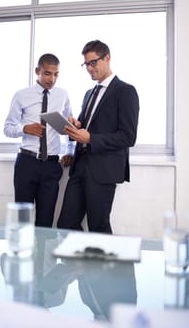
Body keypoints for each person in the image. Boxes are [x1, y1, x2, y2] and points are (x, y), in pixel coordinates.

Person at [57, 40, 139, 233]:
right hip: (80, 167)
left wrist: (91, 139)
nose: (89, 68)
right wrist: (74, 126)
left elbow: (128, 137)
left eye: (93, 63)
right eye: (86, 64)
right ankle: (77, 263)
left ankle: (103, 264)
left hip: (104, 170)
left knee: (98, 226)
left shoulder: (125, 91)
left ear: (107, 58)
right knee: (65, 223)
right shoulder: (89, 93)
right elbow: (86, 126)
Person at [4, 53, 73, 227]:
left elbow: (71, 127)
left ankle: (41, 254)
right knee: (22, 220)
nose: (52, 79)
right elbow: (8, 128)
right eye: (48, 73)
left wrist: (70, 152)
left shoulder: (62, 95)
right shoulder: (21, 95)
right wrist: (24, 128)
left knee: (45, 221)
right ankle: (22, 253)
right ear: (38, 71)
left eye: (56, 74)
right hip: (27, 163)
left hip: (51, 166)